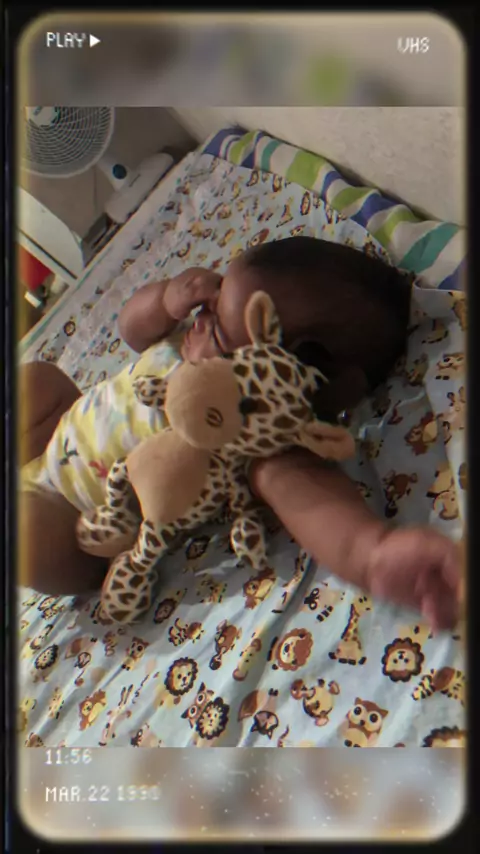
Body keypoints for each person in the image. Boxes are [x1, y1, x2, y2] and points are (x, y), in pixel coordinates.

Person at [18, 237, 462, 631]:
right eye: (214, 298)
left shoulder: (252, 437)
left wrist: (373, 552)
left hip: (79, 515)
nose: (201, 315)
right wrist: (166, 300)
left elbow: (311, 500)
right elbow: (131, 330)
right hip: (61, 429)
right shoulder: (186, 336)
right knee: (37, 378)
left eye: (218, 328)